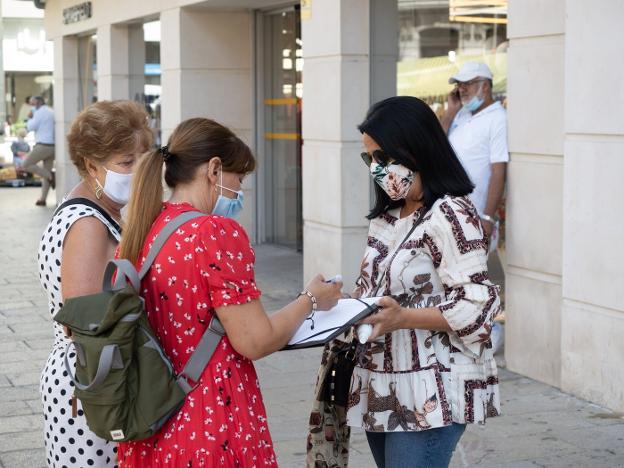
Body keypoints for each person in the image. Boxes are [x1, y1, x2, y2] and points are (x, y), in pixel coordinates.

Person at [116, 117, 343, 466]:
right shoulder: (215, 232)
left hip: (152, 422)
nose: (240, 189)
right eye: (240, 177)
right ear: (214, 169)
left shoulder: (144, 226)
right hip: (209, 418)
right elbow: (255, 340)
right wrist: (310, 300)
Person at [307, 96, 501, 468]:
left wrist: (403, 318)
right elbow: (380, 294)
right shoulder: (388, 216)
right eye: (370, 159)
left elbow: (478, 305)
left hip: (433, 388)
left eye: (382, 157)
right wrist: (340, 302)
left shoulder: (452, 213)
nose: (376, 169)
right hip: (382, 382)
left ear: (415, 148)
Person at [38, 100, 153, 468]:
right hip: (93, 385)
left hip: (99, 378)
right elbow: (88, 323)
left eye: (142, 160)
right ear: (91, 165)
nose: (136, 172)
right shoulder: (87, 223)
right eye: (126, 162)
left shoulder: (98, 211)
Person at [440, 61, 508, 353]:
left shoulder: (497, 118)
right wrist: (451, 111)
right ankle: (464, 331)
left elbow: (498, 171)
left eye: (468, 83)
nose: (462, 89)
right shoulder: (462, 116)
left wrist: (488, 216)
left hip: (475, 215)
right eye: (459, 84)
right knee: (454, 278)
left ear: (486, 85)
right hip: (449, 212)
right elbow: (436, 146)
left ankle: (490, 333)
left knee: (477, 279)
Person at [22, 96, 56, 206]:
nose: (31, 107)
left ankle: (51, 176)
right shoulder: (51, 110)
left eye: (32, 104)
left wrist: (29, 118)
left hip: (43, 145)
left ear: (37, 103)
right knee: (46, 173)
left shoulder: (39, 112)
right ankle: (43, 199)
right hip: (53, 146)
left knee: (26, 164)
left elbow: (31, 127)